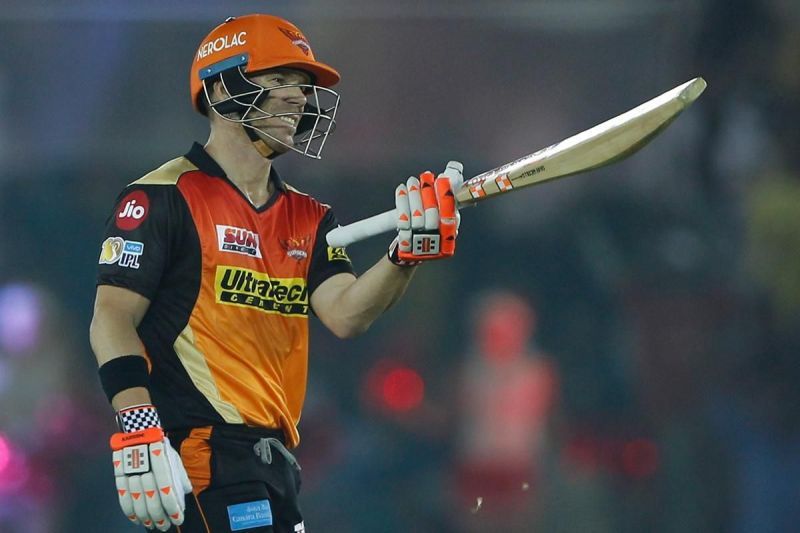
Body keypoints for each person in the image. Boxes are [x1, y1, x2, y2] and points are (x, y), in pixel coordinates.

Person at [89, 13, 460, 533]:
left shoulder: (309, 217)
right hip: (201, 455)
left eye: (303, 86)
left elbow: (346, 313)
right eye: (279, 80)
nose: (299, 98)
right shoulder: (161, 197)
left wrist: (406, 255)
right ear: (220, 89)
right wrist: (138, 428)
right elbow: (110, 318)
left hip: (276, 463)